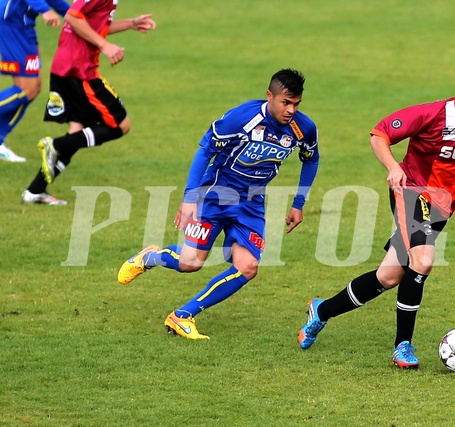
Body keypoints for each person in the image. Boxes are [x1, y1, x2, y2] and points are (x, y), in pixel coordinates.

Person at [298, 56, 455, 369]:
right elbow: (379, 133)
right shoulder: (431, 114)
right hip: (412, 192)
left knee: (388, 276)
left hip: (441, 206)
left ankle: (323, 310)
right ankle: (403, 346)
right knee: (422, 260)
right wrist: (393, 167)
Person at [118, 69, 321, 340]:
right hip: (215, 195)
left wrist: (299, 202)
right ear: (269, 96)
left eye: (296, 104)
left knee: (248, 267)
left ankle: (183, 315)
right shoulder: (242, 118)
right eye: (286, 102)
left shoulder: (302, 128)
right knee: (191, 263)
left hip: (252, 204)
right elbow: (206, 150)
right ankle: (150, 257)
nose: (291, 110)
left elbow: (311, 159)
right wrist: (190, 197)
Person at [21, 0, 156, 205]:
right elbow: (72, 17)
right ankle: (55, 144)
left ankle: (35, 190)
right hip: (79, 70)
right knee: (120, 125)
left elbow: (91, 25)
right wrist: (105, 46)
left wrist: (131, 23)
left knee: (78, 130)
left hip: (66, 67)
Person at [0, 0, 70, 163]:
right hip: (11, 22)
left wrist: (79, 17)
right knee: (27, 89)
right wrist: (44, 10)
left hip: (24, 26)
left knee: (33, 88)